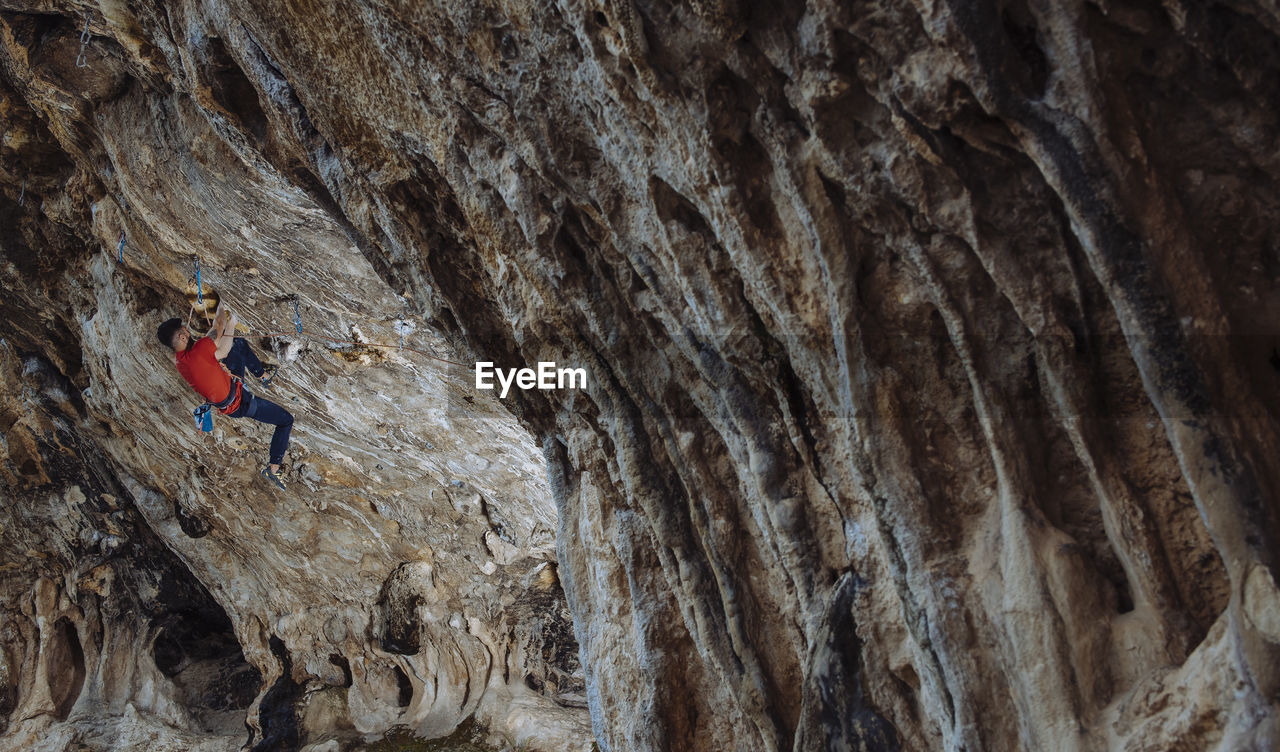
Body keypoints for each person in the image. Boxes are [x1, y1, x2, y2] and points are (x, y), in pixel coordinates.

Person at [157, 305, 292, 490]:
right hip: (241, 402)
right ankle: (273, 468)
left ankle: (263, 376)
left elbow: (218, 344)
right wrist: (229, 319)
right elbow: (219, 330)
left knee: (238, 344)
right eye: (185, 330)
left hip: (230, 397)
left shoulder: (181, 362)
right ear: (181, 337)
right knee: (285, 420)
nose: (187, 330)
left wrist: (224, 317)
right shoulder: (199, 351)